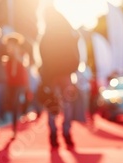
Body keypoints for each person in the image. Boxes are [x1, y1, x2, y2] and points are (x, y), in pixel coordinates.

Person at [39, 6, 82, 148]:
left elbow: (42, 55)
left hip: (51, 75)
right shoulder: (68, 33)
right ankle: (66, 131)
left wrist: (45, 74)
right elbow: (75, 52)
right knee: (68, 103)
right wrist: (73, 67)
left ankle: (52, 133)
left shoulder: (46, 35)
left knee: (52, 104)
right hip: (65, 74)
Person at [3, 32, 28, 139]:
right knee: (9, 103)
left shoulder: (22, 54)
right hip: (8, 83)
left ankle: (14, 128)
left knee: (15, 104)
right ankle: (10, 124)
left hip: (19, 83)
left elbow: (25, 66)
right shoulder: (6, 56)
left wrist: (16, 55)